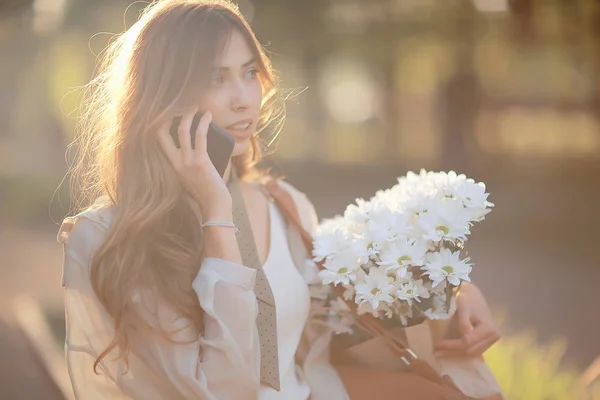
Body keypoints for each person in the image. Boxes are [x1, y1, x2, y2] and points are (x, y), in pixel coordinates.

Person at [58, 1, 501, 399]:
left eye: (250, 73)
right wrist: (216, 214)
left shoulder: (282, 204)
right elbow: (227, 392)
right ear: (160, 97)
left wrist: (454, 292)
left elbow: (347, 297)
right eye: (216, 78)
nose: (243, 99)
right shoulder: (106, 238)